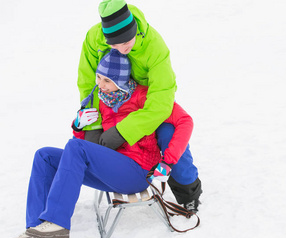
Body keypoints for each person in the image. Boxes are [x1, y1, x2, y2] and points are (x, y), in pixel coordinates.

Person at [7, 49, 163, 238]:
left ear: (122, 80)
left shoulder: (142, 97)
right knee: (44, 155)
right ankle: (36, 227)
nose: (101, 85)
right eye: (98, 77)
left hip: (137, 171)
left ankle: (57, 221)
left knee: (76, 147)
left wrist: (172, 163)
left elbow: (179, 120)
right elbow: (90, 147)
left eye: (107, 81)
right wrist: (80, 126)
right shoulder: (102, 100)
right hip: (111, 170)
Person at [78, 0, 202, 211]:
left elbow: (161, 99)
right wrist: (93, 125)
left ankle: (187, 190)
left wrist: (123, 131)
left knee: (168, 135)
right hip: (116, 103)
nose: (120, 49)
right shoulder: (94, 38)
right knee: (112, 146)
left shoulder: (154, 46)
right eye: (113, 44)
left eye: (125, 42)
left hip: (148, 104)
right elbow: (89, 83)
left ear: (134, 28)